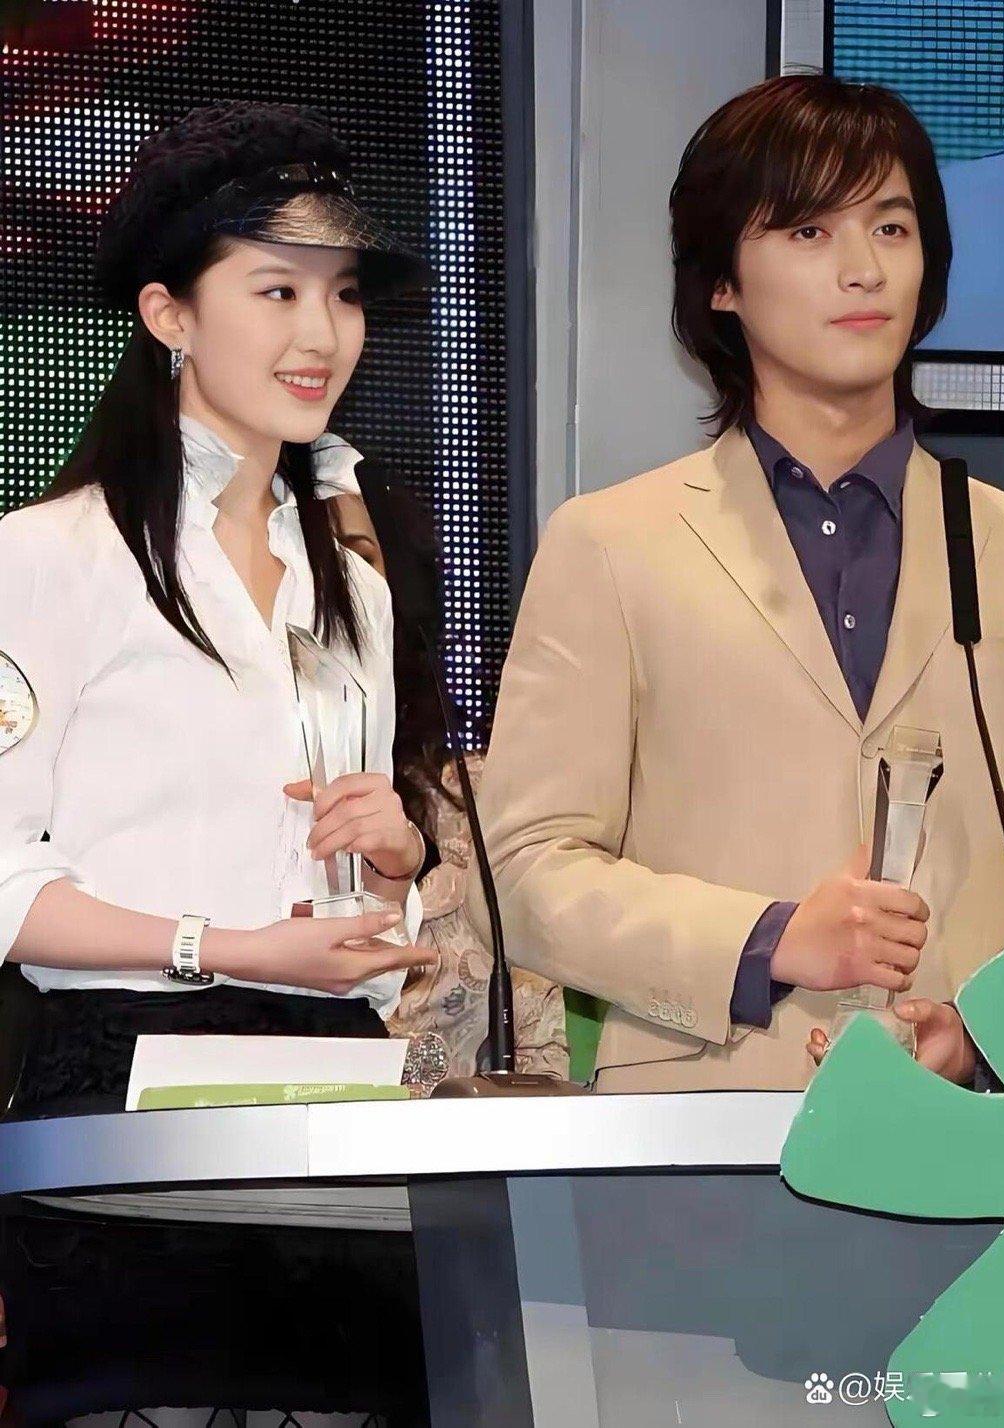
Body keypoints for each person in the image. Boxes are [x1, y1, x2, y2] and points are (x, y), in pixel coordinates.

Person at [466, 74, 1004, 1094]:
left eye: (891, 229)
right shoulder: (611, 545)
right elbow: (523, 874)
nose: (863, 269)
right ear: (721, 282)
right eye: (808, 232)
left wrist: (988, 1036)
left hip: (965, 1135)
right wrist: (769, 938)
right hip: (692, 1126)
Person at [0, 101, 435, 1421]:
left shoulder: (357, 578)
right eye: (277, 289)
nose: (323, 334)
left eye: (342, 293)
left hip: (339, 1103)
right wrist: (231, 948)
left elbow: (375, 923)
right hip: (125, 1101)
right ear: (168, 313)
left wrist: (397, 863)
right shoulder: (47, 557)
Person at [332, 479, 569, 1087]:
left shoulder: (482, 800)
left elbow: (538, 1057)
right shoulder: (206, 804)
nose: (326, 580)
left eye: (354, 553)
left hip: (459, 1141)